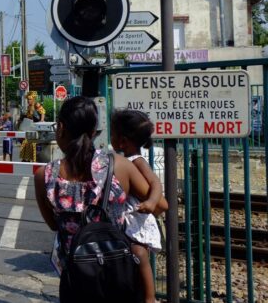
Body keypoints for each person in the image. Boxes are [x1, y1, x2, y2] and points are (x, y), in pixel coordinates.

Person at [33, 96, 166, 301]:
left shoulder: (44, 176)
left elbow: (54, 225)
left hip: (76, 279)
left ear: (60, 128)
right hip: (118, 272)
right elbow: (160, 205)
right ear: (94, 131)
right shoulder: (119, 166)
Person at [110, 109, 168, 303]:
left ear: (123, 141)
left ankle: (150, 298)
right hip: (129, 217)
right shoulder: (124, 160)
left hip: (138, 219)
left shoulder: (137, 161)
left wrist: (151, 202)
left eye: (113, 134)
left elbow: (155, 183)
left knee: (139, 253)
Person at [19, 91, 45, 162]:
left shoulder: (36, 104)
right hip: (30, 126)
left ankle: (33, 158)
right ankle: (26, 158)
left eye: (30, 99)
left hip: (35, 126)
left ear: (33, 99)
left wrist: (41, 121)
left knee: (32, 142)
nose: (28, 100)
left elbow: (42, 112)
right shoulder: (28, 107)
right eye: (27, 99)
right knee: (26, 142)